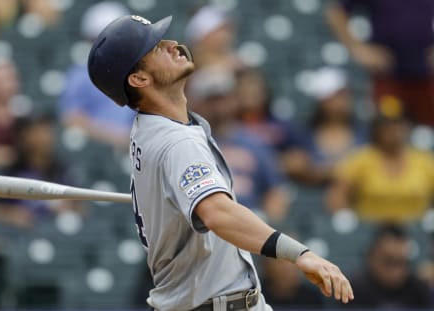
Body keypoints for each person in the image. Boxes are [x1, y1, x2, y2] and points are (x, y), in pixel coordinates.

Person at [88, 15, 354, 310]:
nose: (173, 45)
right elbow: (217, 213)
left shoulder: (150, 128)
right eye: (156, 48)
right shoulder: (177, 142)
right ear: (139, 79)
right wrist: (300, 254)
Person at [188, 66, 289, 222]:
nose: (218, 105)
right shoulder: (187, 143)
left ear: (234, 99)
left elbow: (275, 193)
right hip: (203, 228)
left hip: (250, 227)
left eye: (222, 97)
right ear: (196, 102)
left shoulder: (255, 143)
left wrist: (269, 231)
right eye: (211, 99)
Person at [326, 0, 434, 127]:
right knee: (386, 133)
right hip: (388, 77)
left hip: (428, 78)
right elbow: (336, 13)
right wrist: (357, 48)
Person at [327, 101, 434, 224]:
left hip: (416, 229)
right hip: (369, 230)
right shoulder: (361, 159)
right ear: (376, 129)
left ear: (407, 127)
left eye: (398, 124)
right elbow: (336, 195)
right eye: (386, 125)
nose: (393, 130)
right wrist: (347, 220)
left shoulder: (424, 161)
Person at [58, 1, 135, 149]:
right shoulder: (80, 75)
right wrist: (115, 137)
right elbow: (70, 118)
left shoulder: (137, 72)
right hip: (94, 148)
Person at [346, 224, 432, 308]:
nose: (395, 272)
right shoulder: (353, 289)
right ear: (372, 258)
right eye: (388, 262)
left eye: (400, 263)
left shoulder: (419, 290)